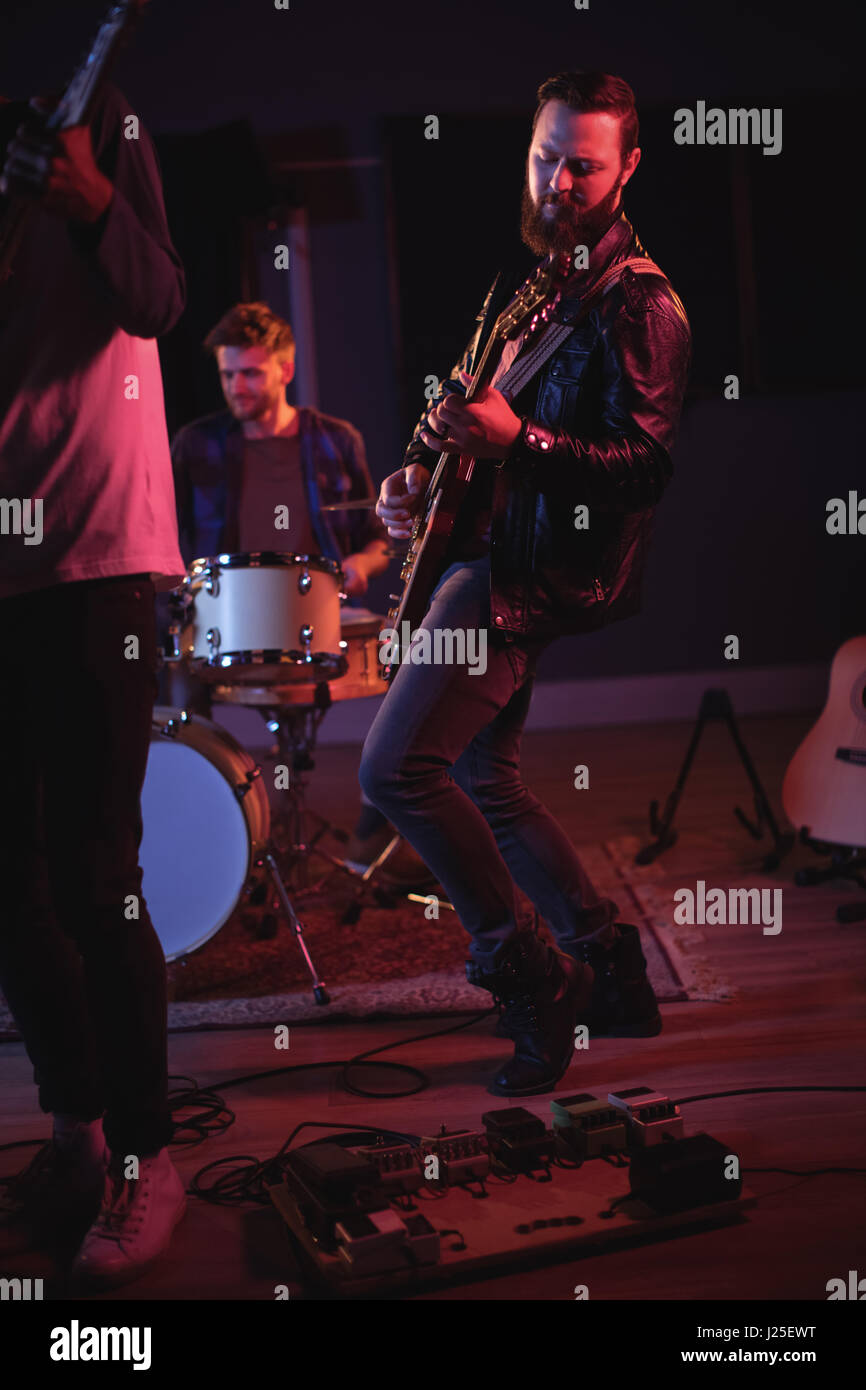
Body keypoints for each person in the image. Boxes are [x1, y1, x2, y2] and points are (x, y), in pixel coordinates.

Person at [361, 71, 692, 1097]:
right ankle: (614, 975)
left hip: (526, 570)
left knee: (392, 771)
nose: (558, 179)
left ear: (627, 167)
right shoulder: (540, 279)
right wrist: (419, 474)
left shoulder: (639, 301)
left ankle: (531, 976)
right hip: (485, 542)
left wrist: (524, 441)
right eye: (545, 156)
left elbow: (642, 466)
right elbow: (468, 410)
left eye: (583, 164)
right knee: (481, 776)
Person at [0, 83, 187, 1287]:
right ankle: (79, 1128)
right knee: (9, 882)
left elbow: (159, 297)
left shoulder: (93, 119)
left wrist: (89, 200)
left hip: (96, 555)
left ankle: (148, 1157)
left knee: (94, 873)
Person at [166, 301, 434, 888]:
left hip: (326, 616)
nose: (237, 386)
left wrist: (356, 570)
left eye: (251, 373)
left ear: (285, 371)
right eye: (228, 374)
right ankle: (208, 841)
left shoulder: (335, 440)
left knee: (426, 669)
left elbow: (376, 541)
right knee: (174, 698)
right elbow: (167, 540)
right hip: (224, 625)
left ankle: (374, 835)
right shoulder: (195, 444)